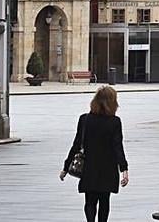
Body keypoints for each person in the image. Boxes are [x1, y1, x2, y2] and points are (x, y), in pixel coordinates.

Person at [60, 85, 129, 222]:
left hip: (89, 167)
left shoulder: (84, 120)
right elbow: (117, 147)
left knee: (90, 201)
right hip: (108, 168)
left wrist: (65, 167)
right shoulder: (115, 122)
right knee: (104, 201)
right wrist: (124, 169)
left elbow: (76, 145)